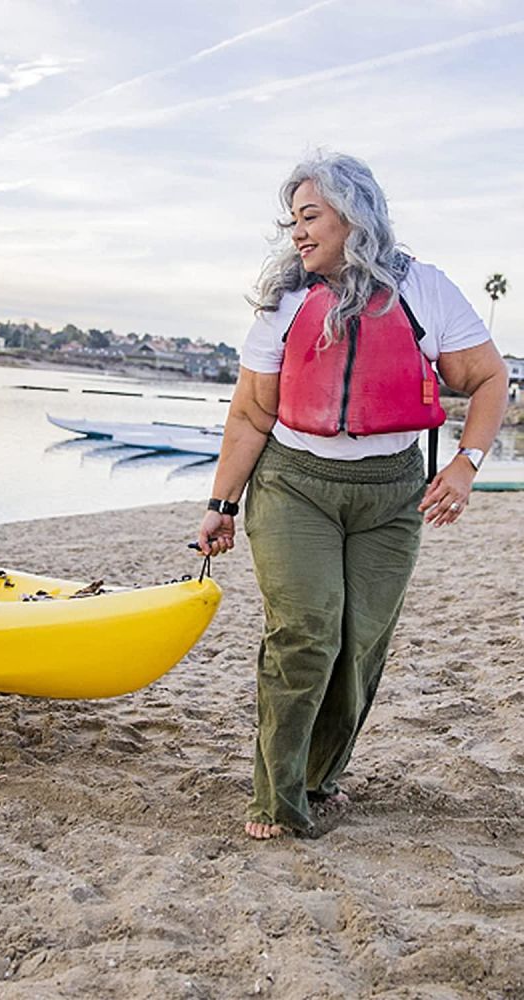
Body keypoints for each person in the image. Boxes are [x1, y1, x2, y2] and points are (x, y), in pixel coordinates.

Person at [196, 152, 508, 840]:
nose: (298, 234)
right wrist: (221, 505)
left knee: (359, 642)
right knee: (307, 631)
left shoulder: (424, 291)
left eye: (311, 217)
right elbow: (250, 414)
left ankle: (319, 779)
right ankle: (277, 798)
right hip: (293, 485)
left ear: (353, 217)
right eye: (294, 221)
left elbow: (488, 380)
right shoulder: (283, 301)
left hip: (390, 493)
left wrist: (465, 465)